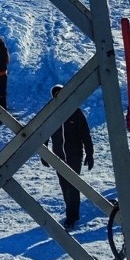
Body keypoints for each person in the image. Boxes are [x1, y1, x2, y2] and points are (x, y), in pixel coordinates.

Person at [45, 84, 94, 229]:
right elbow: (44, 133)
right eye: (56, 94)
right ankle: (71, 211)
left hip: (75, 154)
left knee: (72, 184)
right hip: (58, 155)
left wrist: (90, 153)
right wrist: (44, 153)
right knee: (64, 185)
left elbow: (85, 134)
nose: (59, 96)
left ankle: (71, 216)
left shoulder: (75, 111)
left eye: (61, 93)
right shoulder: (51, 112)